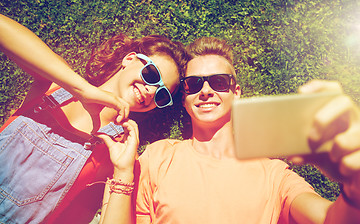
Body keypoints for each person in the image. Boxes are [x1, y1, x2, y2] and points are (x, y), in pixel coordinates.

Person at [99, 36, 360, 224]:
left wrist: (354, 186)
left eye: (219, 82)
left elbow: (329, 218)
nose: (206, 91)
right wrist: (122, 172)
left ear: (236, 93)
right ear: (185, 98)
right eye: (194, 84)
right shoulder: (158, 157)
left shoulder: (274, 175)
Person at [0, 14, 188, 224]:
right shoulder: (53, 86)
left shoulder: (118, 152)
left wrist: (123, 171)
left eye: (162, 95)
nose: (151, 90)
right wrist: (83, 90)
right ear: (130, 59)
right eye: (152, 75)